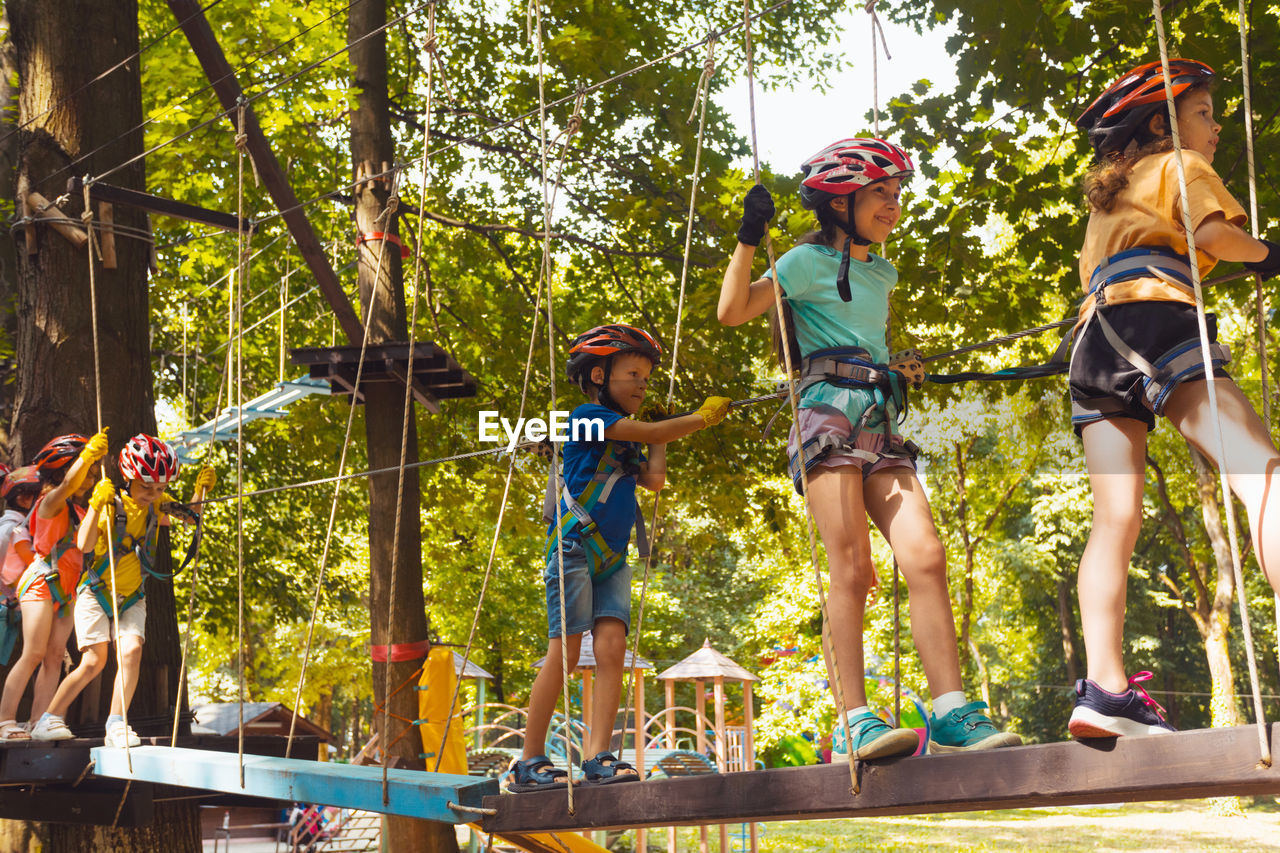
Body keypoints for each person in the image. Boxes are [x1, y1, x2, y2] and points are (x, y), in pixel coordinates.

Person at [717, 138, 1022, 760]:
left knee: (928, 555)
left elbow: (863, 338)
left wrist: (893, 365)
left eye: (897, 192)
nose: (894, 203)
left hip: (878, 416)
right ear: (838, 201)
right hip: (826, 415)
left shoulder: (883, 270)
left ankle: (951, 712)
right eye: (880, 193)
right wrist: (749, 238)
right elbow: (730, 311)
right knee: (853, 568)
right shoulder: (803, 261)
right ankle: (855, 718)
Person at [1068, 59, 1280, 738]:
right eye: (1205, 114)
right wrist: (1268, 254)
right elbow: (1216, 237)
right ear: (1164, 123)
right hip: (1158, 321)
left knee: (1114, 520)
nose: (1214, 129)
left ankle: (1102, 691)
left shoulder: (1108, 202)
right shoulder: (1178, 164)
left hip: (1094, 344)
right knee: (1262, 472)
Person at [506, 324, 731, 791]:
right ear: (597, 374)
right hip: (573, 546)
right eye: (633, 373)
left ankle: (598, 756)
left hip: (613, 557)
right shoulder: (584, 416)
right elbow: (650, 428)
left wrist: (662, 438)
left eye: (646, 376)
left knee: (612, 651)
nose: (642, 384)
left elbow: (654, 480)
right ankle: (529, 759)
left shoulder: (627, 435)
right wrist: (697, 419)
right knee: (564, 653)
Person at [32, 434, 214, 746]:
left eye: (159, 488)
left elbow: (189, 520)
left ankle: (117, 722)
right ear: (129, 477)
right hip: (96, 592)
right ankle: (48, 719)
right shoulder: (110, 503)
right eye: (147, 487)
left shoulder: (156, 507)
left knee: (131, 652)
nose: (153, 494)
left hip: (133, 596)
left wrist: (200, 491)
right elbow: (84, 544)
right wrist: (94, 507)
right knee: (93, 661)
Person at [0, 431, 108, 740]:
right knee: (33, 653)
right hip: (42, 582)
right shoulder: (50, 501)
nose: (91, 477)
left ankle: (40, 722)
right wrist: (86, 458)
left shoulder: (80, 510)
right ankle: (5, 722)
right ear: (65, 470)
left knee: (54, 656)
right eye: (87, 470)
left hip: (68, 588)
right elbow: (69, 485)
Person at [0, 466, 43, 669]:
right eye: (35, 496)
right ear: (23, 499)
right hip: (6, 604)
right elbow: (33, 561)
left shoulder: (4, 524)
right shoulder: (19, 531)